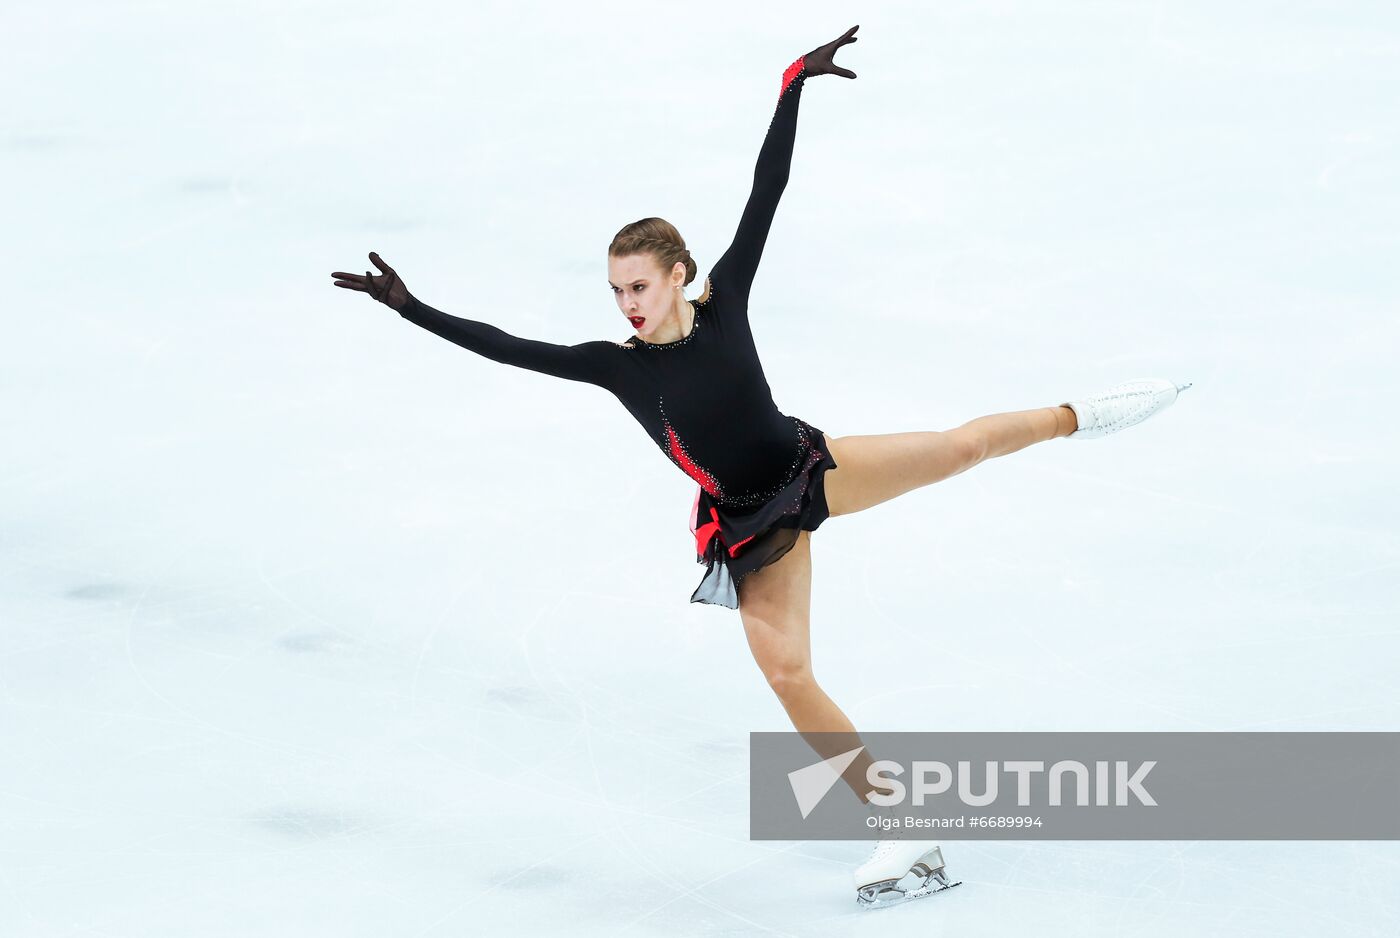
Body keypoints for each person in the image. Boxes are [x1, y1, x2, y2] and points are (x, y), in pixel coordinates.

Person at [329, 24, 1191, 909]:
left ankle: (1082, 415)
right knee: (788, 676)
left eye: (642, 285)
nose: (628, 304)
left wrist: (792, 86)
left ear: (678, 274)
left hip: (812, 470)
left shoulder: (725, 297)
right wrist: (410, 307)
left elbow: (764, 191)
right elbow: (508, 348)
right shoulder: (616, 364)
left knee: (961, 447)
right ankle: (903, 822)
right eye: (617, 290)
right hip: (747, 524)